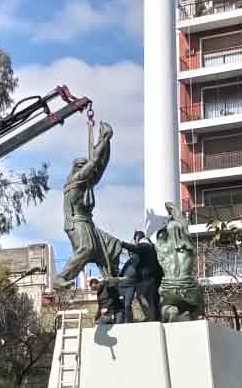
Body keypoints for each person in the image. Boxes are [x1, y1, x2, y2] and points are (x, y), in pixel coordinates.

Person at [54, 121, 122, 288]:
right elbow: (95, 161)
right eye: (83, 167)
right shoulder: (75, 180)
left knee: (111, 244)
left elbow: (101, 165)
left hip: (87, 222)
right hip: (76, 222)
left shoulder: (86, 183)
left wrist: (107, 142)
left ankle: (110, 274)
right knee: (88, 248)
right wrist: (104, 138)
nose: (88, 170)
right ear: (77, 169)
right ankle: (61, 278)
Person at [121, 231, 163, 321]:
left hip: (148, 279)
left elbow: (135, 248)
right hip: (151, 279)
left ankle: (153, 318)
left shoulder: (144, 245)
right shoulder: (151, 246)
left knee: (147, 299)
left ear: (137, 238)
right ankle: (153, 317)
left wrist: (122, 243)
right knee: (149, 299)